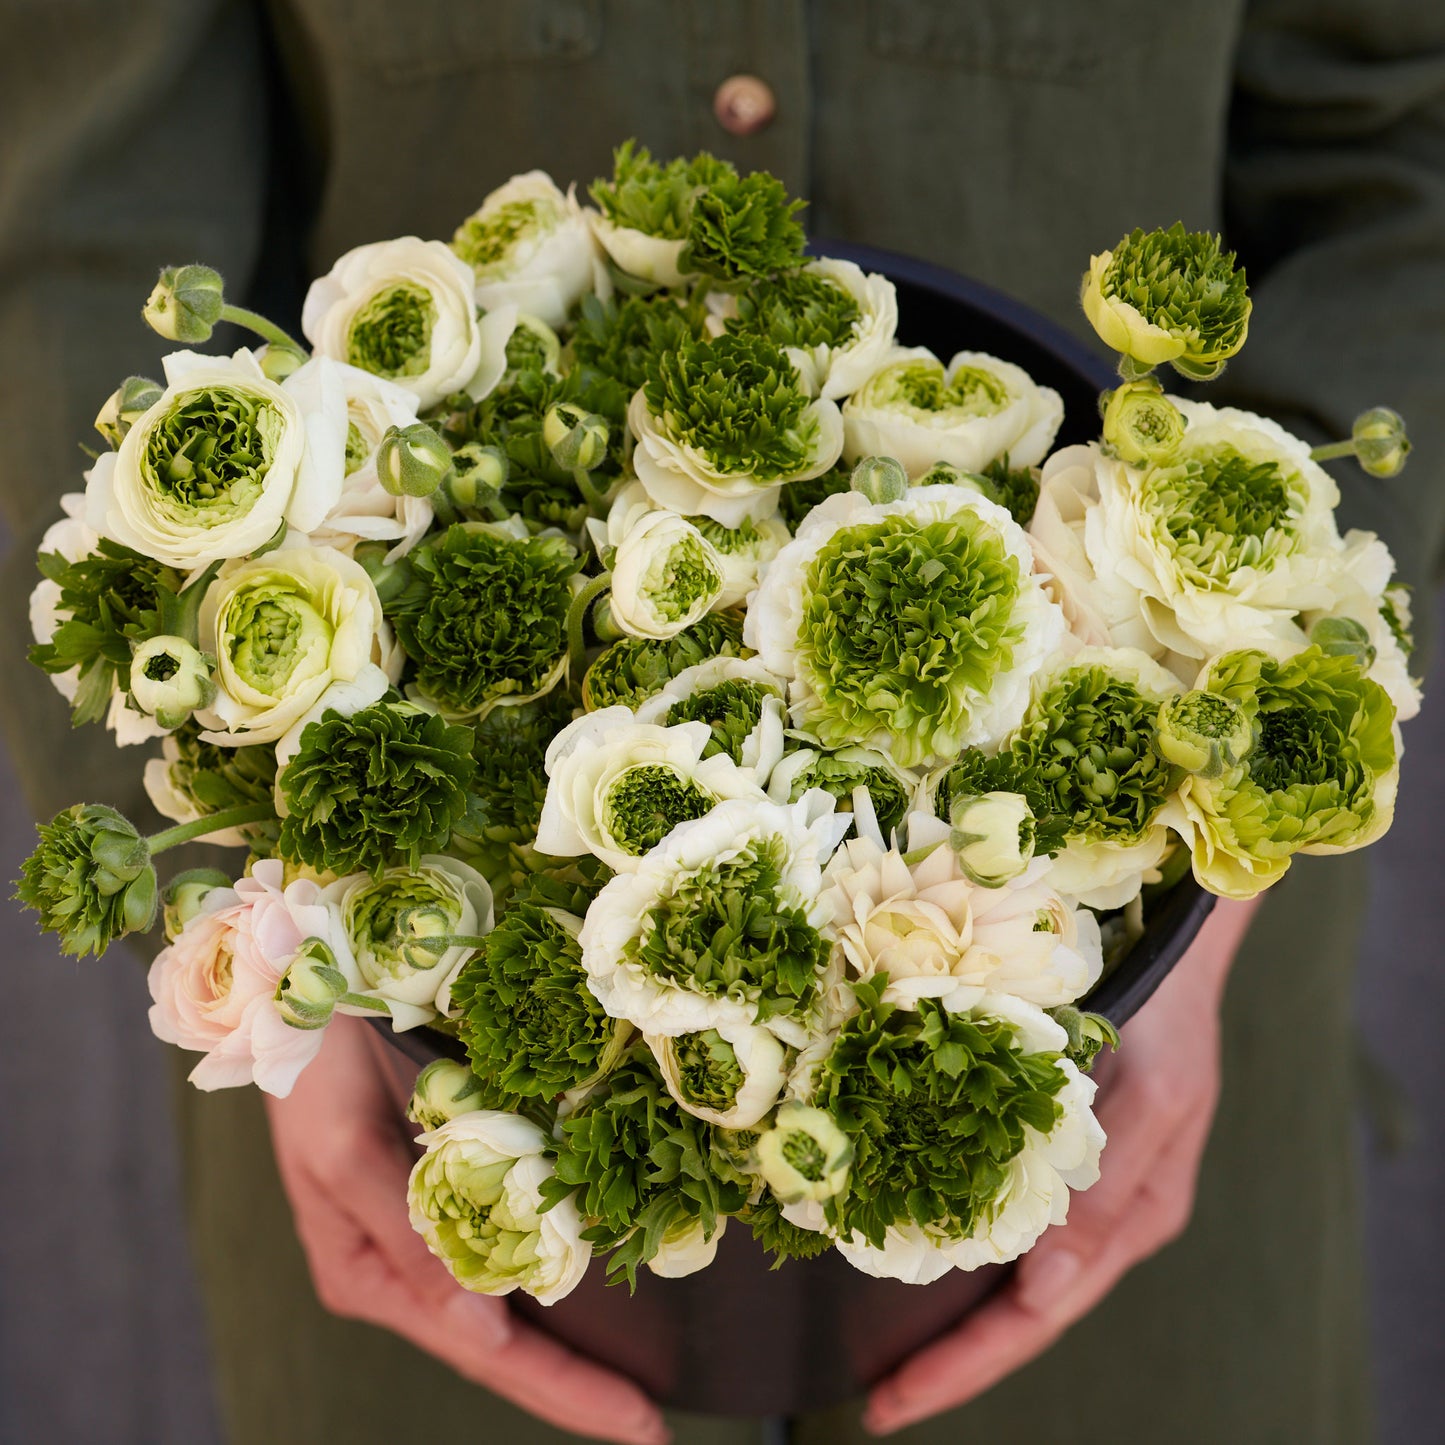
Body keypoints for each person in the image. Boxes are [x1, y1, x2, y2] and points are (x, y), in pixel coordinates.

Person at [2, 3, 1442, 1442]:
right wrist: (259, 954)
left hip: (1155, 1022)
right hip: (394, 1086)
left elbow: (1397, 153)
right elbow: (79, 217)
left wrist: (1220, 874)